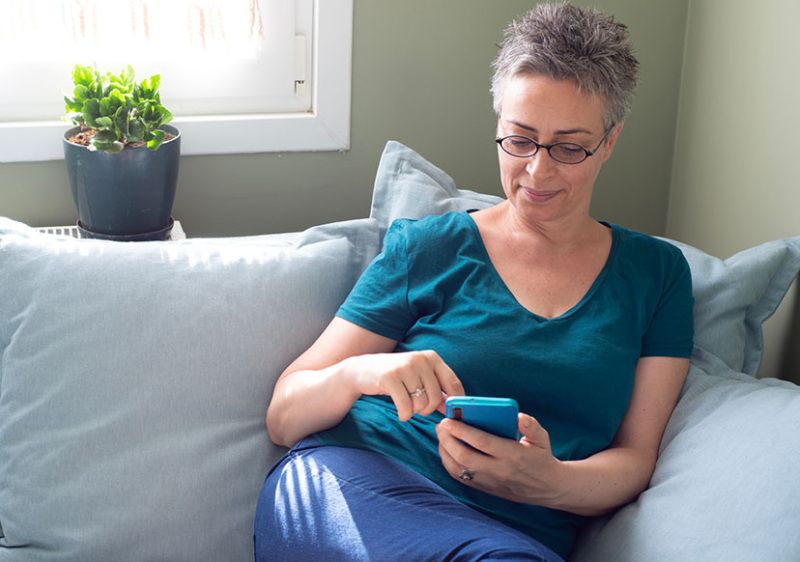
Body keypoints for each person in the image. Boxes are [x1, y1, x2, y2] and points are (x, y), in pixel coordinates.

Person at [254, 2, 693, 561]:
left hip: (513, 536)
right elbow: (283, 416)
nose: (537, 170)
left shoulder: (657, 275)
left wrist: (550, 482)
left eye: (568, 147)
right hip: (355, 478)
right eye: (520, 139)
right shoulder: (432, 246)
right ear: (499, 127)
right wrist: (363, 372)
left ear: (608, 142)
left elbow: (636, 457)